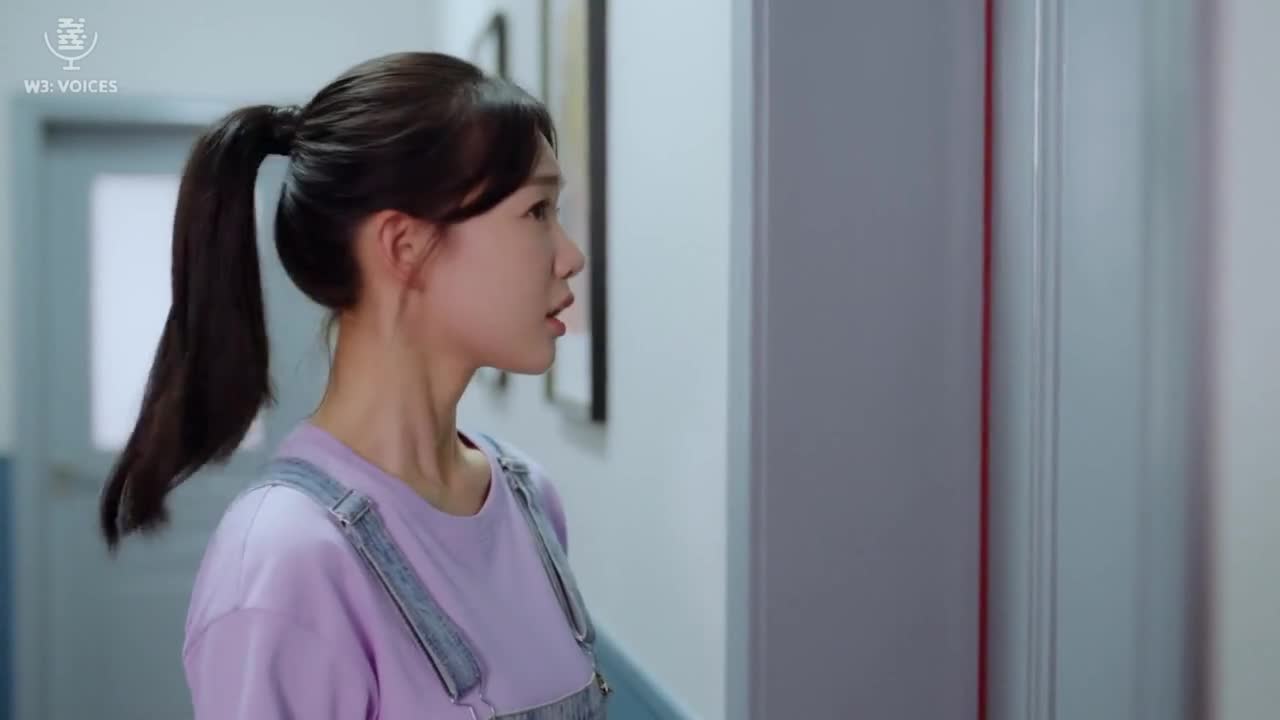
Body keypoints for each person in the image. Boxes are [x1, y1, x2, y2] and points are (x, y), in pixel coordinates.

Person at [97, 51, 610, 719]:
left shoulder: (530, 500)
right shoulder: (285, 563)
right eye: (538, 210)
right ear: (404, 246)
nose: (570, 256)